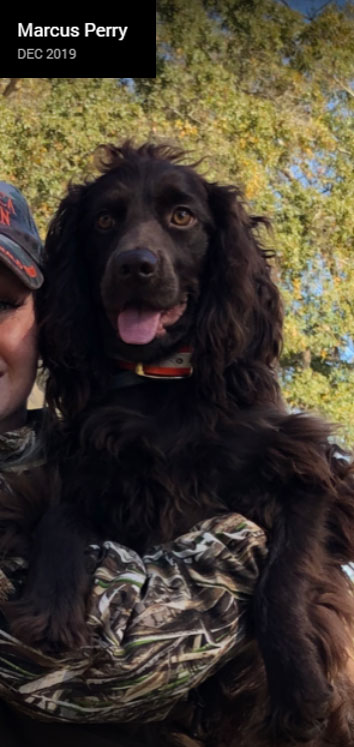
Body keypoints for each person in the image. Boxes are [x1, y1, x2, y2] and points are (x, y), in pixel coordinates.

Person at [0, 183, 267, 746]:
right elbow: (101, 667)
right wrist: (256, 540)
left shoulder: (84, 444)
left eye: (2, 303)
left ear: (44, 318)